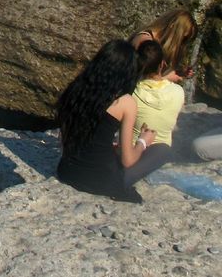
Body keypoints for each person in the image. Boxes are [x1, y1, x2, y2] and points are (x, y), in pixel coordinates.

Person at [57, 39, 159, 203]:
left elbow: (68, 140)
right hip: (101, 180)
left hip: (67, 172)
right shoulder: (125, 102)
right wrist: (143, 141)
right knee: (161, 151)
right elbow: (128, 160)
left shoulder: (76, 89)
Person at [130, 39, 182, 176]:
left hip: (133, 152)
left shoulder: (131, 92)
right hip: (161, 152)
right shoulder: (179, 92)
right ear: (162, 64)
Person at [130, 11, 198, 82]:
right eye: (183, 39)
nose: (181, 44)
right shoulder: (145, 41)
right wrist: (165, 79)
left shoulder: (158, 46)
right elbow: (138, 82)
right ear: (173, 26)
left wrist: (178, 72)